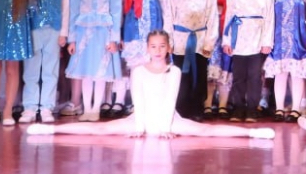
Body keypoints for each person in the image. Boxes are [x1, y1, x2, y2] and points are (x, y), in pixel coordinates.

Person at [27, 31, 275, 139]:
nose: (157, 51)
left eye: (162, 47)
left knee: (206, 131)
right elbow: (139, 101)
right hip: (141, 119)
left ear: (168, 48)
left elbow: (169, 101)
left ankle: (252, 133)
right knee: (99, 130)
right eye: (153, 47)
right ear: (147, 48)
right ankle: (50, 131)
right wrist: (140, 127)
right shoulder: (138, 70)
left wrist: (165, 128)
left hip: (168, 119)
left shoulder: (174, 70)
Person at [65, 0, 124, 122]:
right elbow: (73, 14)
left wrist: (114, 39)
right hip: (83, 34)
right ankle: (87, 107)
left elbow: (116, 13)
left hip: (103, 35)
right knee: (85, 73)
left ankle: (96, 108)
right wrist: (72, 40)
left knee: (100, 73)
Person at [167, 0, 219, 121]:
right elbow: (169, 15)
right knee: (181, 75)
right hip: (180, 41)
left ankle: (197, 108)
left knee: (199, 74)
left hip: (200, 40)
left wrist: (209, 42)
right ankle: (181, 109)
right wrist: (169, 40)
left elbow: (212, 17)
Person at [21, 0, 69, 124]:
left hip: (54, 30)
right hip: (33, 29)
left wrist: (64, 32)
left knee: (51, 70)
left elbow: (66, 7)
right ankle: (29, 107)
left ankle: (47, 107)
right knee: (31, 70)